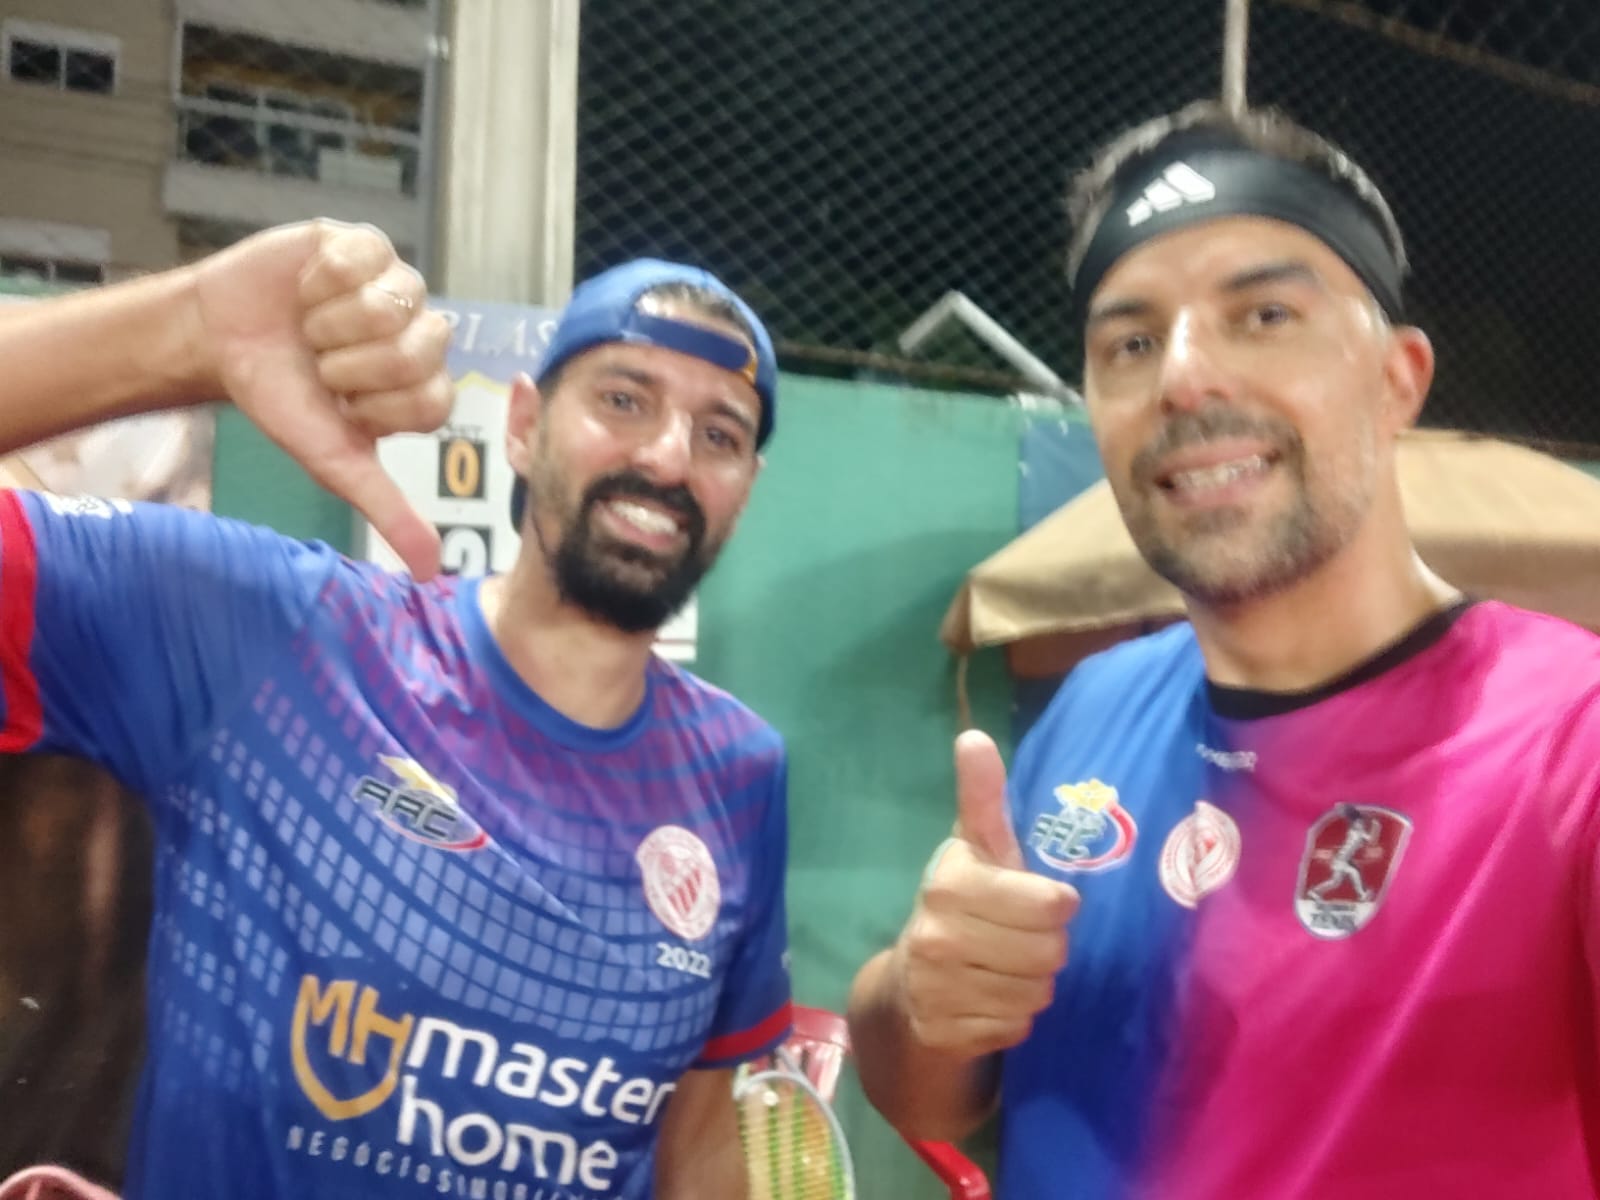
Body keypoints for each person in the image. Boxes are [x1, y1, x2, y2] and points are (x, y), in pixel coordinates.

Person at [847, 100, 1600, 1198]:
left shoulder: (1568, 743)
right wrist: (923, 997)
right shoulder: (1090, 710)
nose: (1184, 377)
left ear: (1397, 378)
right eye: (1131, 342)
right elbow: (925, 1096)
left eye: (1264, 315)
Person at [0, 219, 791, 1199]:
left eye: (720, 434)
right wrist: (185, 328)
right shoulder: (275, 640)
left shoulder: (741, 775)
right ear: (523, 424)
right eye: (624, 400)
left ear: (744, 489)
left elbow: (700, 1140)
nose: (669, 457)